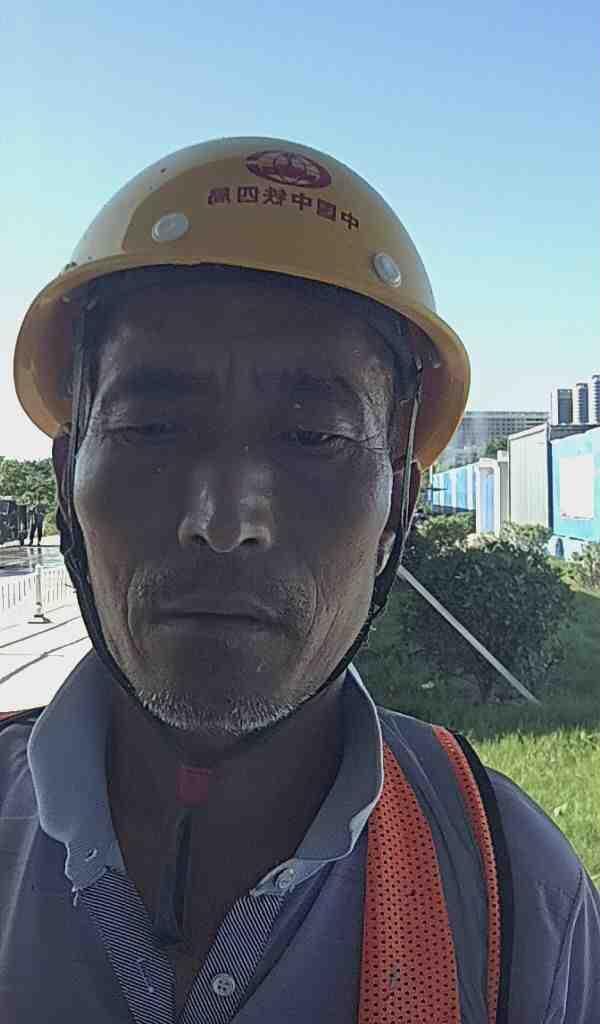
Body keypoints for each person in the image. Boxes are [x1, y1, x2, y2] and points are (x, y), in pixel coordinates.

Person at [2, 137, 599, 1022]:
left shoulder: (518, 902)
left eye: (314, 437)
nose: (224, 519)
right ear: (67, 477)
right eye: (151, 429)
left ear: (399, 503)